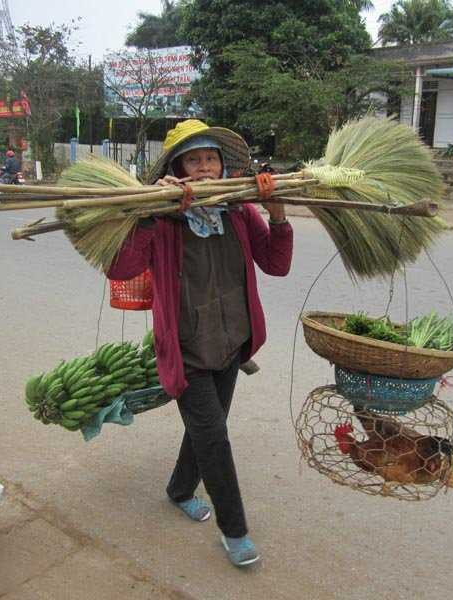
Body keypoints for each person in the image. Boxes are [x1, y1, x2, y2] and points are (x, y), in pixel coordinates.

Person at [106, 119, 293, 567]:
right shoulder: (163, 218)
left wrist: (278, 213)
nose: (205, 168)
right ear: (177, 168)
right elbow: (120, 268)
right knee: (215, 438)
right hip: (187, 348)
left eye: (211, 159)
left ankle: (178, 490)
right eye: (194, 160)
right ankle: (236, 532)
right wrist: (152, 211)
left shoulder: (238, 211)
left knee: (206, 429)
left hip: (231, 342)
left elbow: (276, 265)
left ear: (223, 166)